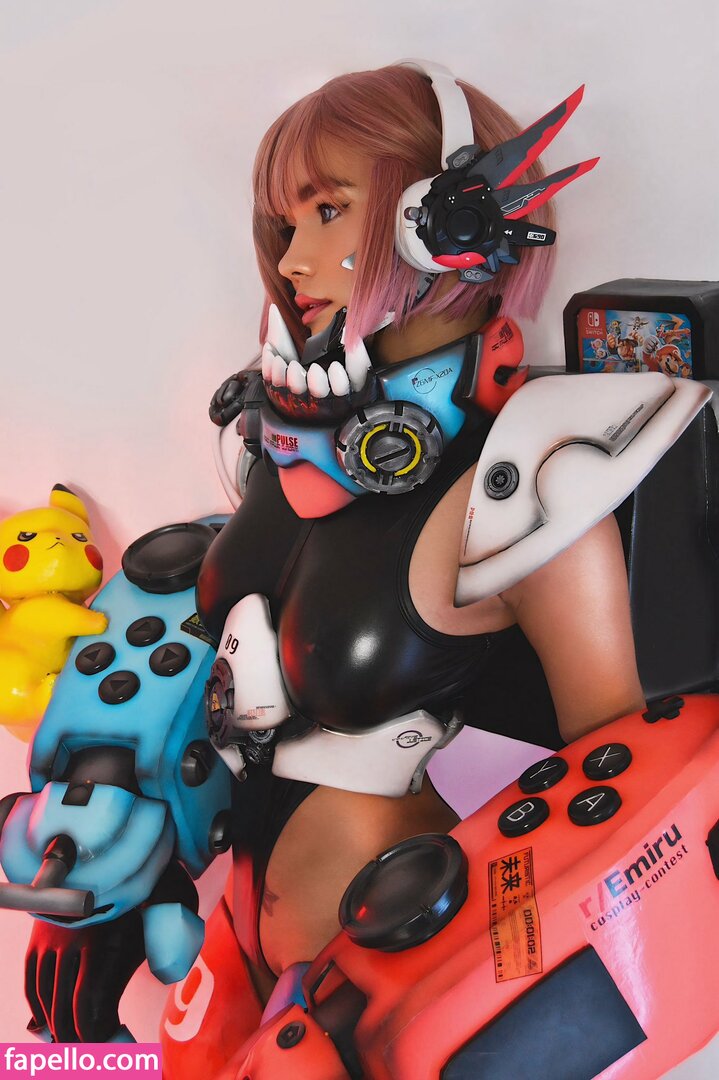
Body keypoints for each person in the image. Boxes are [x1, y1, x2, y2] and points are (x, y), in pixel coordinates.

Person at [22, 61, 705, 1074]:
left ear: (445, 218)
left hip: (376, 993)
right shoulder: (278, 449)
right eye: (282, 223)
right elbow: (195, 666)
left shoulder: (534, 471)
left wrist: (472, 1037)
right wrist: (101, 861)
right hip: (232, 953)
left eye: (328, 210)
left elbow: (630, 809)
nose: (292, 258)